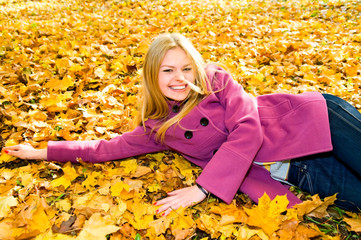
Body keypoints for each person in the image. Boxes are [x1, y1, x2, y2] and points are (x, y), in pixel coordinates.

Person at [3, 33, 361, 215]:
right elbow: (104, 148)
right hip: (299, 171)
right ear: (151, 75)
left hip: (316, 122)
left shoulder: (217, 80)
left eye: (186, 67)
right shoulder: (158, 127)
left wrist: (204, 189)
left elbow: (248, 129)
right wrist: (41, 152)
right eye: (168, 70)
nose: (179, 78)